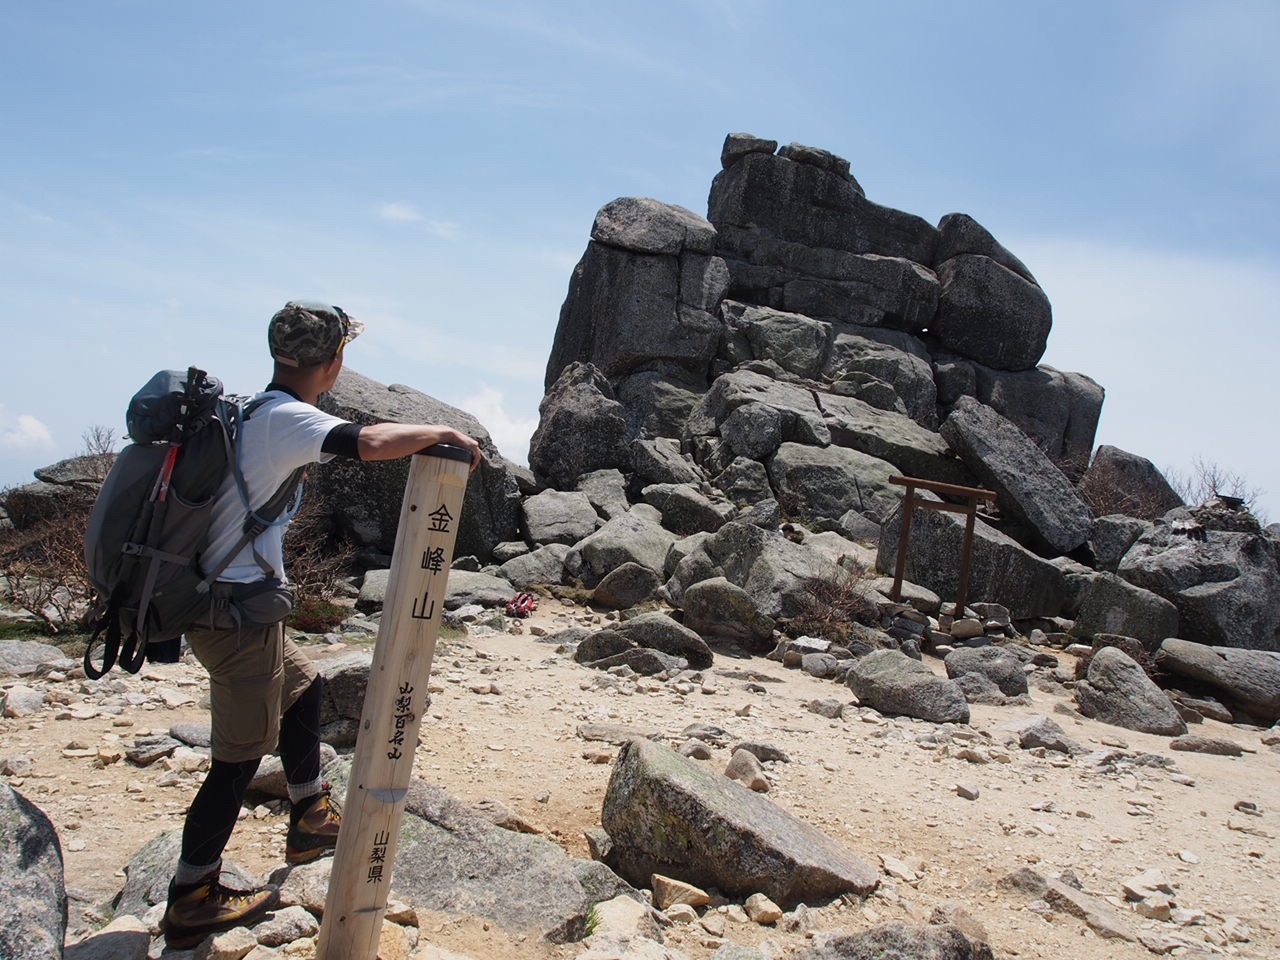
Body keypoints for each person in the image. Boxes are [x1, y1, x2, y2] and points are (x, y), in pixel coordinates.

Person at [162, 301, 481, 949]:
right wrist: (444, 434)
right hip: (231, 613)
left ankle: (308, 809)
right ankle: (192, 893)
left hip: (244, 606)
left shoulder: (254, 407)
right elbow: (365, 443)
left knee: (304, 686)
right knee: (238, 756)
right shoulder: (286, 417)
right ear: (333, 362)